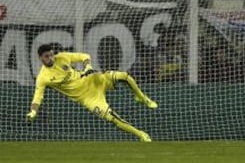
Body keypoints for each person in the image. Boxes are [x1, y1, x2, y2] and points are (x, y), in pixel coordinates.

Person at [26, 44, 158, 142]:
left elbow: (84, 56)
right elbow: (37, 97)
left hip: (92, 79)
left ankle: (142, 97)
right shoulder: (42, 77)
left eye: (51, 54)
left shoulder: (62, 57)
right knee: (113, 118)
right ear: (40, 58)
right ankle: (141, 134)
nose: (50, 58)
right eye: (46, 56)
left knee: (124, 76)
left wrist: (87, 66)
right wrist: (33, 112)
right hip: (87, 98)